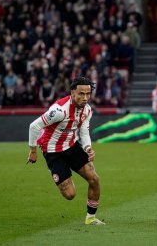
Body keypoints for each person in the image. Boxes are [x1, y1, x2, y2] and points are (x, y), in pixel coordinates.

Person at [27, 77, 105, 225]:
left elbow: (84, 133)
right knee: (70, 195)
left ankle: (91, 218)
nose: (85, 98)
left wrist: (88, 148)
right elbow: (34, 126)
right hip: (52, 151)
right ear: (72, 92)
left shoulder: (87, 110)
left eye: (88, 94)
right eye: (81, 94)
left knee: (94, 178)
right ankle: (57, 170)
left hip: (71, 146)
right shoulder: (59, 111)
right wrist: (33, 150)